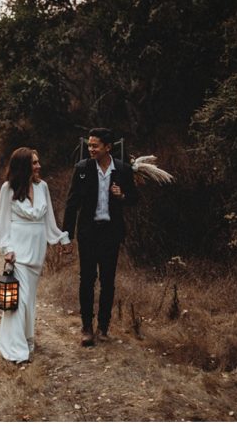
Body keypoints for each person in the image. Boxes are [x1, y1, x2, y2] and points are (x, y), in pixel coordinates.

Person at [0, 147, 72, 363]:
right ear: (24, 166)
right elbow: (3, 222)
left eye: (38, 162)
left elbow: (49, 220)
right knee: (20, 300)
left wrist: (61, 239)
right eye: (34, 163)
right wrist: (7, 249)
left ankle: (26, 337)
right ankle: (15, 349)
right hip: (18, 252)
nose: (39, 166)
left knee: (29, 299)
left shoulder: (42, 186)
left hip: (37, 252)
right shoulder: (8, 189)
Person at [63, 128, 139, 347]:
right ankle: (86, 328)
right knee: (86, 280)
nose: (91, 149)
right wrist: (67, 236)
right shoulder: (83, 169)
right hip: (88, 233)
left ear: (108, 147)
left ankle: (103, 327)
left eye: (95, 145)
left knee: (108, 282)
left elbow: (134, 198)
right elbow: (71, 204)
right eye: (89, 145)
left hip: (111, 233)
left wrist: (122, 195)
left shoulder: (123, 170)